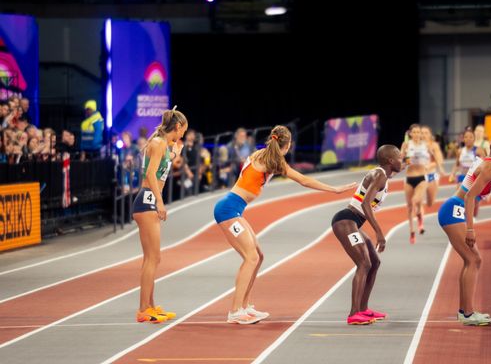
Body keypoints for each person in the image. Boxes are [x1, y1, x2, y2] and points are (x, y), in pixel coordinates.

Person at [213, 125, 356, 325]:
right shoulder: (274, 161)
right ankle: (235, 311)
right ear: (287, 145)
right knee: (251, 257)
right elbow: (303, 180)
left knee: (258, 256)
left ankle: (245, 306)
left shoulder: (262, 154)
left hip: (233, 208)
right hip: (227, 210)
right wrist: (334, 190)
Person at [437, 133, 491, 326]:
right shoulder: (489, 168)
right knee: (473, 259)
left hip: (454, 209)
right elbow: (470, 197)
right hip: (454, 210)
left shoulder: (486, 162)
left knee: (471, 260)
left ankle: (465, 311)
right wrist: (470, 229)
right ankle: (468, 314)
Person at [332, 145, 404, 325]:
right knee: (364, 263)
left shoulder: (384, 175)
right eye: (400, 158)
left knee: (375, 262)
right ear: (390, 161)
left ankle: (364, 309)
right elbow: (365, 204)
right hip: (346, 221)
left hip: (354, 223)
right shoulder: (379, 175)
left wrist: (407, 161)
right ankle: (354, 313)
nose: (402, 162)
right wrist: (380, 233)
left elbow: (398, 168)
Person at [132, 107, 187, 323]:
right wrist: (160, 201)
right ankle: (143, 309)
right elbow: (150, 174)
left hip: (148, 201)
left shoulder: (163, 144)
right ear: (177, 127)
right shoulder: (158, 143)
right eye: (183, 130)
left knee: (153, 258)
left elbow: (163, 164)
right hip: (147, 201)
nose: (183, 134)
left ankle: (150, 306)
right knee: (152, 259)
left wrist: (174, 154)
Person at [399, 124, 434, 243]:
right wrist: (404, 155)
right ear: (410, 134)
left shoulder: (426, 145)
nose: (417, 134)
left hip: (422, 178)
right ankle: (412, 231)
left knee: (416, 201)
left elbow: (434, 160)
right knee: (409, 207)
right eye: (414, 132)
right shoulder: (406, 145)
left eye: (418, 132)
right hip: (409, 178)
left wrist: (429, 166)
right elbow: (401, 161)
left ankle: (419, 217)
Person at [420, 125, 447, 212]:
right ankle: (420, 222)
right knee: (417, 200)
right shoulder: (415, 145)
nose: (424, 135)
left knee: (430, 202)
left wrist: (430, 166)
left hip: (431, 175)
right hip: (418, 175)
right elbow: (408, 159)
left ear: (430, 134)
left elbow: (439, 160)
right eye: (422, 133)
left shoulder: (434, 145)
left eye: (426, 133)